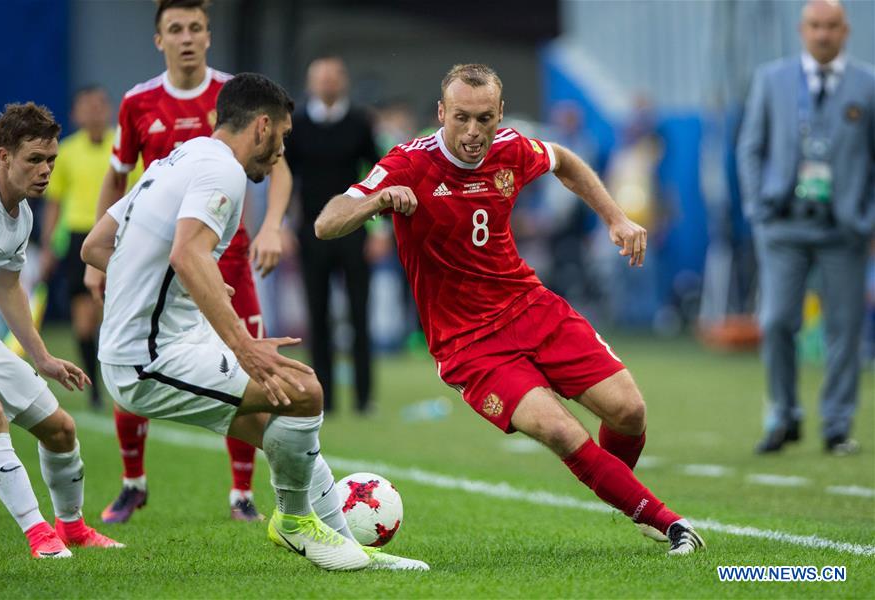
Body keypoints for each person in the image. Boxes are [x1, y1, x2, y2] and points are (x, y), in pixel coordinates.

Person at [316, 64, 705, 555]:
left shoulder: (512, 148)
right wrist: (376, 203)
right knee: (561, 430)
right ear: (441, 113)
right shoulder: (406, 164)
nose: (473, 132)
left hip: (529, 307)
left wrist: (615, 218)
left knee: (629, 411)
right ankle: (665, 521)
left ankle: (620, 490)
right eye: (461, 118)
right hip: (468, 343)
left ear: (500, 114)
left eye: (484, 118)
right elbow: (326, 224)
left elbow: (564, 160)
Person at [82, 73, 426, 571]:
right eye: (283, 137)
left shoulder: (178, 158)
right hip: (148, 357)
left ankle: (352, 545)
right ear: (262, 127)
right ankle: (293, 523)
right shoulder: (223, 171)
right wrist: (244, 346)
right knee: (304, 388)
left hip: (154, 344)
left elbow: (97, 246)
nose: (282, 151)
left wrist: (174, 287)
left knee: (279, 423)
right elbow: (186, 252)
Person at [84, 0, 294, 523]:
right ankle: (133, 481)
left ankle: (242, 494)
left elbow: (278, 164)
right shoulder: (138, 102)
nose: (186, 38)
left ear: (208, 34)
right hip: (160, 261)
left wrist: (272, 225)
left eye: (195, 27)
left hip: (231, 259)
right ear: (159, 40)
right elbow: (118, 176)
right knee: (143, 351)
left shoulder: (236, 97)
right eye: (174, 29)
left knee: (257, 383)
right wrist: (99, 259)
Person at [0, 102, 122, 558]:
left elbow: (8, 285)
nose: (45, 171)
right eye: (34, 160)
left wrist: (41, 357)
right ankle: (40, 536)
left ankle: (73, 527)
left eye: (51, 161)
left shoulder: (22, 216)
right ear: (3, 157)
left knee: (60, 429)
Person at [737, 0, 874, 455]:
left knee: (845, 327)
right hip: (783, 225)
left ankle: (836, 425)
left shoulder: (867, 84)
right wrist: (757, 208)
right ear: (802, 29)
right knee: (776, 321)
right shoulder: (770, 80)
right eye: (815, 26)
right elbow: (750, 148)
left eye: (831, 26)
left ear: (845, 30)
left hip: (844, 228)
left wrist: (867, 216)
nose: (822, 35)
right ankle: (783, 415)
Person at [287, 56, 381, 414]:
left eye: (332, 78)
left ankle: (363, 397)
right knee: (318, 316)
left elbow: (378, 175)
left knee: (360, 315)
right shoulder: (296, 126)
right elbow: (284, 179)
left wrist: (379, 229)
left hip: (355, 232)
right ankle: (323, 396)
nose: (326, 84)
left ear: (342, 82)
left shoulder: (359, 123)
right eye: (320, 78)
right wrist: (280, 227)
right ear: (311, 83)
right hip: (310, 234)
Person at [40, 86, 124, 410]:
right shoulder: (66, 152)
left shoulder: (124, 147)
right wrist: (48, 247)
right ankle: (95, 389)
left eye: (100, 105)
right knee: (84, 321)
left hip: (115, 236)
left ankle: (121, 382)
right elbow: (54, 204)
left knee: (111, 315)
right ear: (76, 113)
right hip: (77, 238)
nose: (95, 111)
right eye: (87, 106)